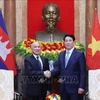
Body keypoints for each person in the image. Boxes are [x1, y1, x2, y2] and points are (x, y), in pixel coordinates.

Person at [44, 34, 86, 100]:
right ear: (64, 43)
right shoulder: (61, 54)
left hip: (75, 88)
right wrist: (50, 73)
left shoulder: (79, 54)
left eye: (70, 40)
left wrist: (81, 87)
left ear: (74, 42)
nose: (68, 42)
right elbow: (58, 68)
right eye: (66, 41)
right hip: (63, 88)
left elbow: (82, 72)